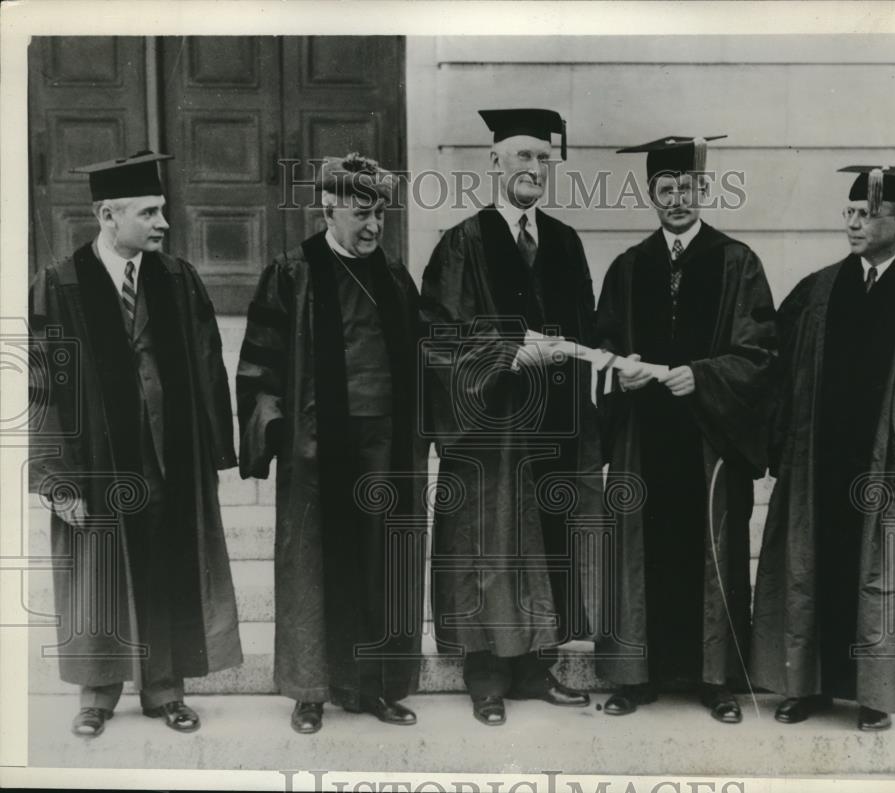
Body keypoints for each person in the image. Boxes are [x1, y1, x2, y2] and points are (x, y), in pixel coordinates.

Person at [28, 151, 242, 738]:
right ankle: (97, 694)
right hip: (97, 458)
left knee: (165, 564)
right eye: (149, 212)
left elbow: (207, 366)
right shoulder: (58, 284)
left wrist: (213, 451)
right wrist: (54, 476)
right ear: (107, 214)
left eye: (162, 212)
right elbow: (42, 386)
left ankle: (165, 689)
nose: (163, 224)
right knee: (97, 571)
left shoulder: (177, 278)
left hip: (168, 454)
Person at [750, 165, 895, 732]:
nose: (854, 223)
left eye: (867, 213)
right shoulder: (817, 289)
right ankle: (803, 687)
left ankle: (874, 696)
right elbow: (777, 370)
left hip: (889, 466)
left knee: (879, 576)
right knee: (806, 569)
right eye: (849, 212)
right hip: (816, 462)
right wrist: (774, 447)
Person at [420, 108, 601, 726]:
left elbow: (584, 329)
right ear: (495, 162)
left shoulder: (565, 241)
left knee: (546, 544)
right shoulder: (463, 242)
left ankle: (534, 668)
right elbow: (438, 336)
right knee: (488, 550)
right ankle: (487, 676)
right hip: (489, 430)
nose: (534, 169)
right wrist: (505, 351)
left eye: (543, 159)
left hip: (551, 423)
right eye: (522, 157)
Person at [236, 153, 427, 734]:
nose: (373, 226)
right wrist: (273, 432)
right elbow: (260, 366)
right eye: (362, 213)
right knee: (312, 569)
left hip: (388, 447)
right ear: (329, 209)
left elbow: (420, 359)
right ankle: (310, 691)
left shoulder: (394, 275)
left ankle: (377, 687)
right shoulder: (292, 272)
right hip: (319, 447)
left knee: (383, 564)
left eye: (381, 216)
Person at [593, 135, 778, 724]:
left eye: (688, 187)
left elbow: (759, 354)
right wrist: (615, 372)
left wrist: (700, 377)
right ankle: (632, 677)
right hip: (642, 440)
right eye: (666, 188)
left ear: (705, 190)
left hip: (707, 443)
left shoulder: (736, 263)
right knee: (635, 554)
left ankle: (715, 679)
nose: (677, 198)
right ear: (651, 193)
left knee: (711, 551)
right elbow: (606, 340)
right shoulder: (628, 267)